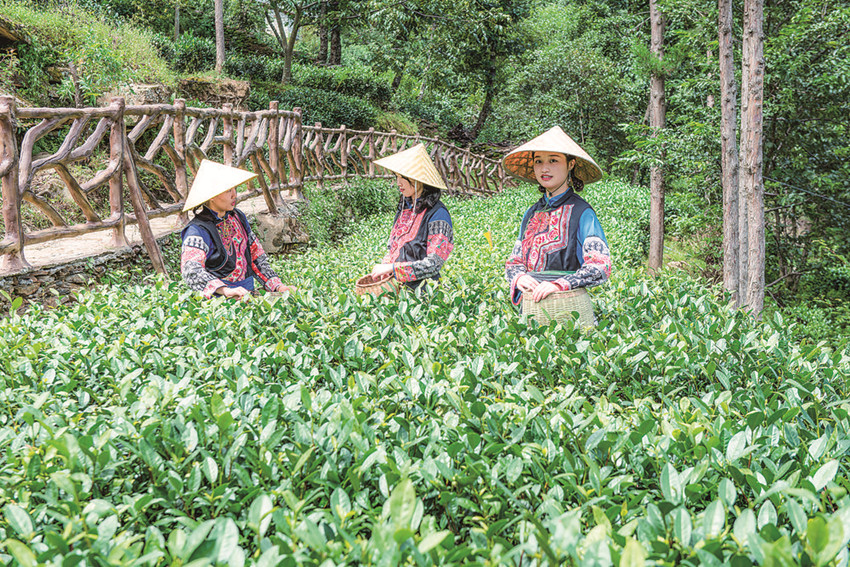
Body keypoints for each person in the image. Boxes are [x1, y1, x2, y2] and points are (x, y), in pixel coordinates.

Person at [502, 126, 611, 307]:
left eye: (553, 160)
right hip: (530, 308)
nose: (544, 168)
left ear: (571, 164)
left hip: (569, 307)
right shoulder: (531, 213)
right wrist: (519, 277)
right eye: (538, 161)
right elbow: (514, 261)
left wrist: (560, 284)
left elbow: (600, 266)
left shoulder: (582, 212)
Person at [180, 159, 294, 300]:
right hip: (220, 303)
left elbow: (256, 256)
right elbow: (191, 270)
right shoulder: (197, 231)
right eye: (228, 190)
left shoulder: (238, 217)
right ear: (212, 196)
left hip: (247, 296)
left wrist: (277, 286)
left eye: (234, 188)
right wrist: (225, 290)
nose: (234, 194)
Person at [369, 143, 454, 290]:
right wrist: (386, 263)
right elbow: (394, 247)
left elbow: (433, 264)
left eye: (403, 177)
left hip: (424, 293)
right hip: (397, 289)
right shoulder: (405, 207)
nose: (398, 183)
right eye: (396, 177)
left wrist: (393, 268)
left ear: (417, 179)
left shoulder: (438, 215)